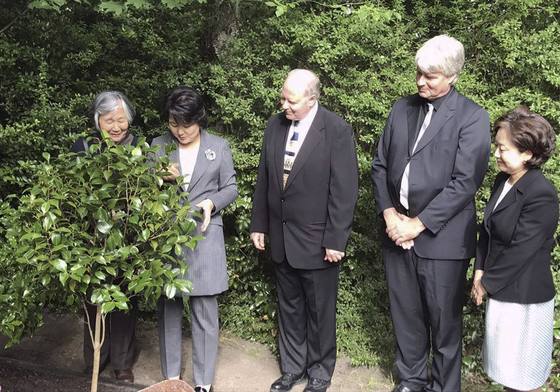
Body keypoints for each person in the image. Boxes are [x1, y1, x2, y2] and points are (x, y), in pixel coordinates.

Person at [371, 35, 491, 392]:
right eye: (419, 73)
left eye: (431, 76)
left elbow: (465, 182)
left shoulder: (472, 117)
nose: (421, 81)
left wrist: (417, 225)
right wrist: (391, 216)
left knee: (444, 325)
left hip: (442, 241)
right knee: (406, 318)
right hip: (396, 234)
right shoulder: (400, 108)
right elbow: (380, 167)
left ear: (453, 76)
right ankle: (410, 382)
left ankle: (442, 388)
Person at [250, 69, 359, 392]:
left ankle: (320, 372)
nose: (284, 104)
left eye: (291, 101)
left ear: (312, 99)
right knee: (290, 307)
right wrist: (259, 224)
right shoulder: (275, 124)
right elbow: (265, 179)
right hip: (281, 236)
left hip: (319, 240)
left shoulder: (336, 130)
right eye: (282, 97)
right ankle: (292, 369)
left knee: (320, 312)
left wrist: (336, 239)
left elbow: (345, 190)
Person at [151, 86, 238, 392]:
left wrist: (211, 203)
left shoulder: (219, 146)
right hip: (168, 238)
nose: (180, 131)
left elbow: (230, 187)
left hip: (204, 235)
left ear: (199, 119)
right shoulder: (158, 145)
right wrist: (159, 177)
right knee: (169, 310)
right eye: (174, 124)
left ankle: (202, 383)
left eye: (186, 125)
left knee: (204, 312)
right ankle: (171, 379)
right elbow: (143, 190)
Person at [471, 106, 558, 392]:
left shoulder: (541, 194)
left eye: (502, 148)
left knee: (523, 376)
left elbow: (522, 250)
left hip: (525, 298)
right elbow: (487, 231)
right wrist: (479, 271)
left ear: (528, 154)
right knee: (505, 371)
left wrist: (486, 283)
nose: (495, 153)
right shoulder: (503, 181)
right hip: (501, 290)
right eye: (496, 145)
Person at [71, 90, 138, 383]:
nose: (115, 127)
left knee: (124, 297)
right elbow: (73, 193)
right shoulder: (83, 146)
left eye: (121, 120)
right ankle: (96, 358)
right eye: (108, 120)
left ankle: (122, 361)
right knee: (93, 296)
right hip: (92, 238)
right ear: (97, 119)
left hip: (126, 237)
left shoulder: (139, 149)